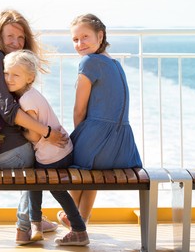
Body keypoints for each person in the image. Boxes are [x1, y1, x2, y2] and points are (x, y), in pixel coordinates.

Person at [0, 9, 68, 244]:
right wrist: (48, 133)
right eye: (10, 37)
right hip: (0, 154)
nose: (16, 43)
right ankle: (25, 227)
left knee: (32, 150)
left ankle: (37, 219)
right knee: (38, 162)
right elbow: (8, 111)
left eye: (20, 38)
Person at [57, 13, 143, 228]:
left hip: (98, 141)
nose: (80, 43)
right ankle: (81, 220)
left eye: (85, 37)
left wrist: (80, 138)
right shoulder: (115, 64)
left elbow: (79, 110)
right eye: (75, 40)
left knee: (79, 162)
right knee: (91, 168)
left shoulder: (89, 62)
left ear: (100, 35)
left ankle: (73, 219)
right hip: (123, 149)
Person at [3, 49, 89, 246]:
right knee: (37, 181)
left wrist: (18, 132)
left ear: (30, 77)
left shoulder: (25, 101)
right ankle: (37, 224)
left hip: (51, 156)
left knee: (49, 187)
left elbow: (33, 134)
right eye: (6, 73)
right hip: (63, 151)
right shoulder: (33, 94)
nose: (9, 78)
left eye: (16, 74)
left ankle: (78, 230)